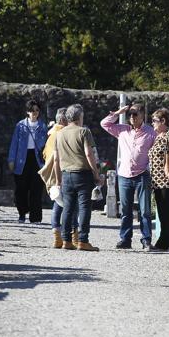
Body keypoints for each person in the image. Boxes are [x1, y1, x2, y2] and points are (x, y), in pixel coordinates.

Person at [100, 103, 157, 250]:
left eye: (135, 114)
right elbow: (104, 123)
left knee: (144, 210)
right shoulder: (122, 130)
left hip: (142, 174)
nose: (131, 117)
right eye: (129, 114)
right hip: (124, 175)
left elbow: (156, 153)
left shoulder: (151, 132)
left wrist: (151, 169)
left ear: (142, 115)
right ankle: (125, 239)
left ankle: (146, 240)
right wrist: (119, 112)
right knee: (125, 210)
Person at [53, 104, 102, 251]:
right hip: (83, 174)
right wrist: (96, 174)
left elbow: (56, 159)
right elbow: (89, 154)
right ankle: (83, 240)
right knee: (84, 207)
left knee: (67, 208)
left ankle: (66, 240)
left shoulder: (60, 134)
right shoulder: (84, 132)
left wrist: (58, 179)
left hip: (66, 174)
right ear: (79, 117)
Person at [40, 107, 78, 248]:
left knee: (57, 204)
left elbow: (44, 154)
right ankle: (72, 237)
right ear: (63, 120)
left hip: (52, 174)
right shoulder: (61, 134)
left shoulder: (51, 134)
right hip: (62, 172)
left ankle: (57, 237)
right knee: (71, 205)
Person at [148, 108, 169, 250]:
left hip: (168, 180)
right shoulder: (158, 137)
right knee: (163, 211)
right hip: (157, 181)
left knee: (166, 210)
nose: (152, 124)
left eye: (155, 121)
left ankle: (164, 240)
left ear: (163, 121)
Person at [7, 99, 47, 223]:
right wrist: (11, 159)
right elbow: (14, 143)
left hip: (37, 160)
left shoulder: (43, 126)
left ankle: (35, 217)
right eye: (32, 110)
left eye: (37, 110)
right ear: (27, 112)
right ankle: (22, 213)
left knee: (36, 189)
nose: (34, 113)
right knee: (21, 189)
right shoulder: (20, 125)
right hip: (21, 159)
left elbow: (47, 145)